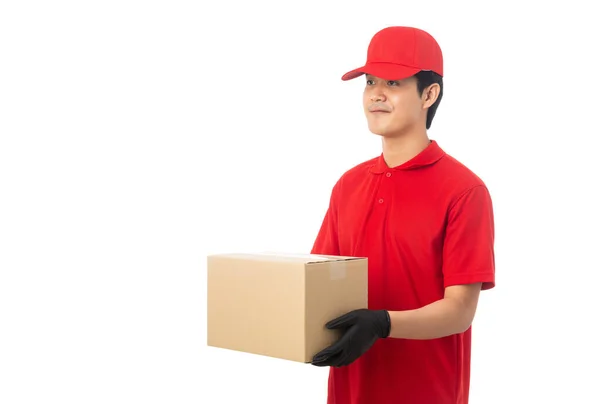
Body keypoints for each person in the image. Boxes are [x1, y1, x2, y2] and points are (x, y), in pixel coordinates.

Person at [310, 26, 496, 404]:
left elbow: (460, 310)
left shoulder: (464, 190)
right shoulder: (348, 185)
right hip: (351, 390)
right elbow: (318, 281)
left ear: (430, 93)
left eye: (393, 82)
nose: (376, 94)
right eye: (370, 81)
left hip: (427, 391)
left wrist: (383, 323)